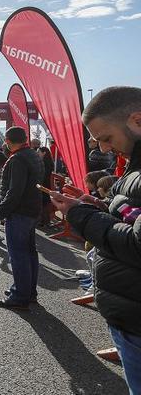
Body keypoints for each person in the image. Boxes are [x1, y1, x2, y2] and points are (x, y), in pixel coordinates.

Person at [49, 86, 141, 394]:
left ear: (137, 120)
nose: (102, 149)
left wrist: (81, 216)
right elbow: (129, 213)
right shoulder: (133, 162)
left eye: (106, 138)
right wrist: (93, 205)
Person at [0, 126, 44, 310]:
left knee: (18, 254)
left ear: (8, 140)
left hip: (20, 211)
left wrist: (2, 210)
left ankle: (20, 296)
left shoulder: (18, 159)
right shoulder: (33, 155)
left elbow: (15, 190)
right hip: (32, 209)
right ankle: (28, 292)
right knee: (29, 253)